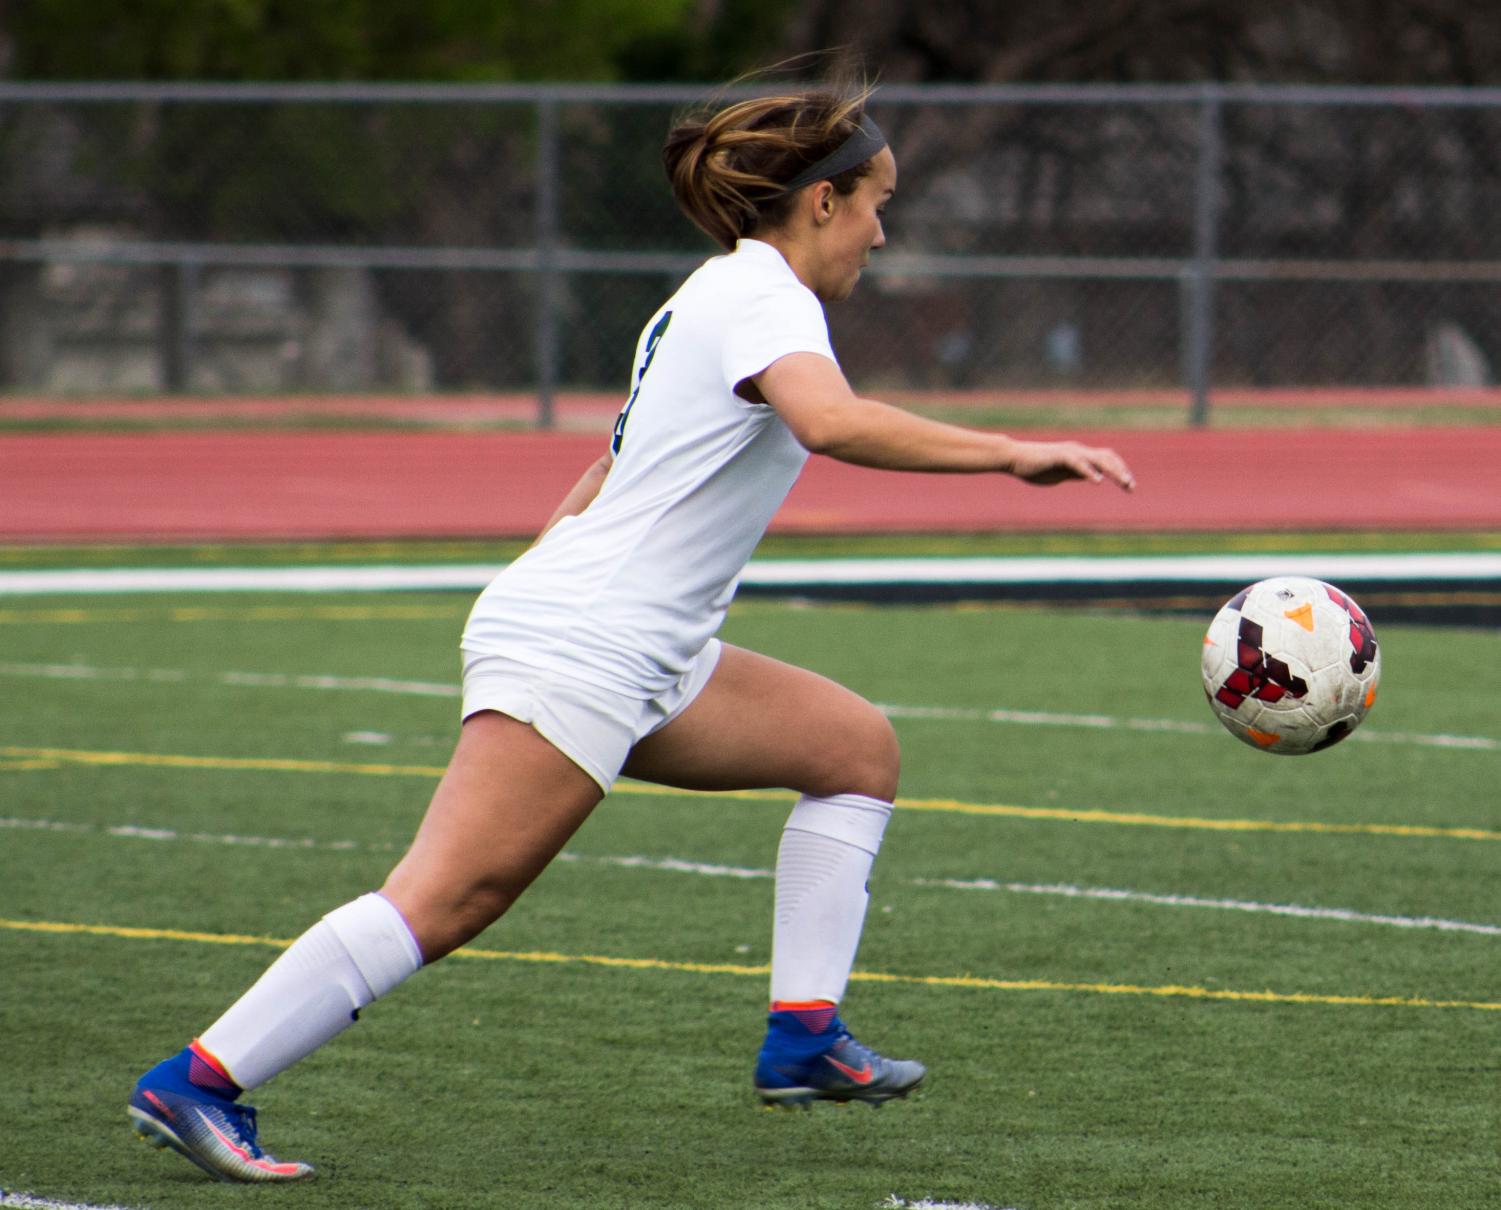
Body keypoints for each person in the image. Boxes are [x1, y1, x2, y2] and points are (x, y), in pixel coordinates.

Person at [127, 79, 1136, 1184]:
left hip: (628, 642)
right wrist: (1009, 452)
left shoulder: (712, 294)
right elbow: (831, 421)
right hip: (592, 641)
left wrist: (542, 578)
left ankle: (803, 1039)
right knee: (450, 896)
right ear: (820, 205)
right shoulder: (767, 301)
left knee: (854, 751)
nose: (882, 233)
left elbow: (611, 465)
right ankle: (200, 1079)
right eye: (876, 205)